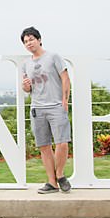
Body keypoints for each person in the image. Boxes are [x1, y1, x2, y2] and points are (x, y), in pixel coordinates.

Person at [21, 26, 72, 194]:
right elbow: (28, 89)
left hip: (56, 106)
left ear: (39, 39)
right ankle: (52, 183)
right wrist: (25, 87)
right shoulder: (26, 64)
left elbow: (65, 78)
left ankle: (60, 174)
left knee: (62, 143)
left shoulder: (53, 57)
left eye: (31, 39)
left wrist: (65, 100)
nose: (29, 43)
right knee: (44, 146)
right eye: (26, 41)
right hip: (37, 108)